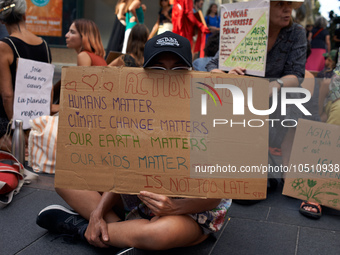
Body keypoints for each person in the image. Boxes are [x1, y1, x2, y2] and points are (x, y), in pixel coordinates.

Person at [36, 31, 231, 253]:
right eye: (158, 69)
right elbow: (123, 169)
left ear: (190, 73)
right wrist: (98, 212)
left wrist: (174, 207)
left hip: (189, 211)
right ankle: (118, 231)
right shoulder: (136, 110)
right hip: (140, 201)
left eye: (178, 69)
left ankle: (82, 229)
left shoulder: (209, 112)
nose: (167, 76)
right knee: (67, 179)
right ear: (144, 74)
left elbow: (214, 195)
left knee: (160, 232)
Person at [0, 0, 52, 152]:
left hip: (8, 122)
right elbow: (48, 90)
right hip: (36, 120)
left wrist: (18, 131)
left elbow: (7, 95)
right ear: (25, 16)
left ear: (2, 20)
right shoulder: (44, 45)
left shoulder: (4, 46)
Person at [52, 19, 107, 114]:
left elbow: (82, 94)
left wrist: (57, 107)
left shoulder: (84, 56)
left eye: (72, 32)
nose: (66, 35)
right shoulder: (96, 56)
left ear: (84, 37)